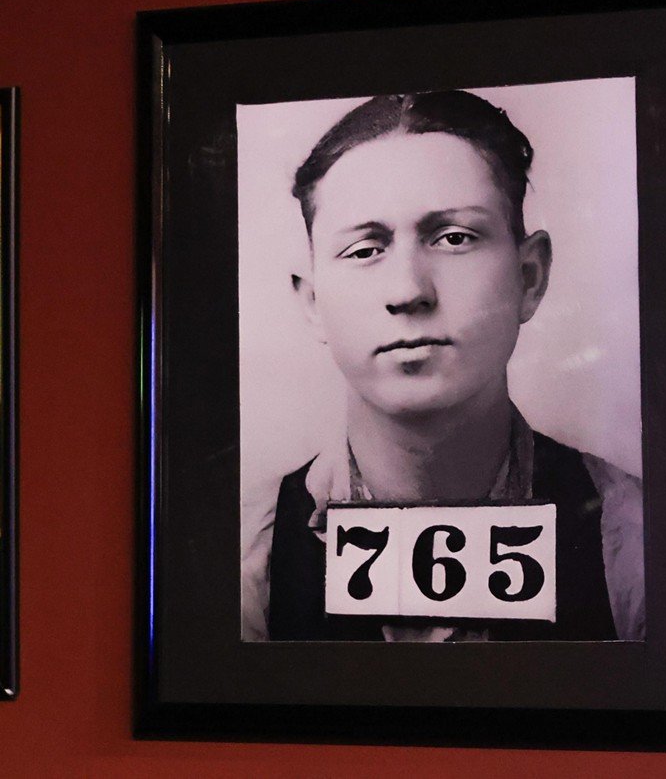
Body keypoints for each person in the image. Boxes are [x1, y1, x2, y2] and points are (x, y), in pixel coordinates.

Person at [241, 91, 644, 642]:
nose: (409, 291)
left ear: (529, 278)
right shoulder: (243, 554)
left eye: (454, 238)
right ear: (313, 302)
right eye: (365, 250)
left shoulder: (638, 541)